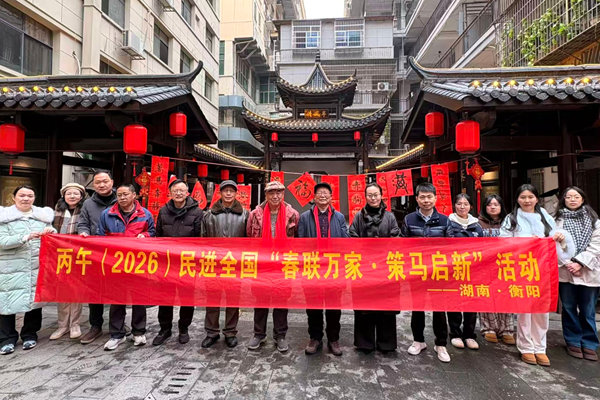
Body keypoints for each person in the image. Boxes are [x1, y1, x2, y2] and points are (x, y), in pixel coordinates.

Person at [500, 183, 565, 367]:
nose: (527, 201)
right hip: (522, 268)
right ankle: (526, 346)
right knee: (524, 309)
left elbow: (556, 241)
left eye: (530, 197)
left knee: (541, 309)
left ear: (536, 198)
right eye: (523, 197)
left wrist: (559, 238)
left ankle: (540, 347)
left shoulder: (546, 217)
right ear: (517, 199)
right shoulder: (511, 218)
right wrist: (527, 243)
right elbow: (503, 242)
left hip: (544, 269)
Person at [97, 184, 155, 351]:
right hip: (115, 264)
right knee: (116, 300)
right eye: (119, 195)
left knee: (139, 299)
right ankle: (117, 334)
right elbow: (100, 236)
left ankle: (139, 332)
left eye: (125, 194)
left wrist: (145, 235)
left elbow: (153, 233)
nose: (122, 198)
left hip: (138, 264)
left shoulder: (145, 214)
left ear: (134, 195)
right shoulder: (107, 214)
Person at [0, 186, 55, 355]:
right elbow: (2, 241)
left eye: (30, 195)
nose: (26, 198)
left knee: (35, 302)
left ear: (34, 198)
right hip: (10, 267)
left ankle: (30, 334)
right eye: (22, 195)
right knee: (6, 302)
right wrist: (25, 237)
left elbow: (53, 236)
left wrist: (51, 231)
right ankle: (6, 339)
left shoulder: (42, 216)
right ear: (14, 197)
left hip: (35, 265)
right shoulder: (4, 217)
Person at [246, 180, 299, 352]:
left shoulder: (293, 215)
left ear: (283, 194)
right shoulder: (255, 214)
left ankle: (280, 335)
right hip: (262, 263)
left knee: (281, 300)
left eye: (278, 193)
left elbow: (298, 239)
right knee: (260, 300)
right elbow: (249, 236)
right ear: (266, 195)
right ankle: (258, 333)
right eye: (271, 193)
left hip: (283, 264)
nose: (275, 196)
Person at [402, 182, 452, 363]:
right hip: (417, 271)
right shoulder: (409, 219)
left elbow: (452, 247)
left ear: (435, 198)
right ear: (416, 199)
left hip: (438, 272)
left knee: (439, 309)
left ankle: (441, 344)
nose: (426, 200)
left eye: (429, 197)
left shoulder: (445, 221)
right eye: (422, 197)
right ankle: (418, 341)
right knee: (417, 308)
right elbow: (403, 245)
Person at [299, 182, 349, 356]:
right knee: (313, 305)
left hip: (333, 267)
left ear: (331, 197)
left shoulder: (339, 217)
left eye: (326, 193)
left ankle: (333, 339)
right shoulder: (305, 217)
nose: (322, 195)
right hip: (312, 267)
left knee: (334, 305)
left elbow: (345, 240)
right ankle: (315, 338)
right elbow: (300, 242)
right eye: (319, 193)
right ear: (314, 197)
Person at [349, 183, 400, 353]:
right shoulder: (358, 216)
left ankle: (386, 343)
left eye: (376, 195)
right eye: (370, 195)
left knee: (386, 306)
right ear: (365, 197)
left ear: (381, 196)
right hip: (365, 268)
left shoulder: (390, 217)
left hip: (386, 267)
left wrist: (382, 251)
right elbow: (352, 236)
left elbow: (396, 237)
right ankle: (365, 343)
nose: (373, 198)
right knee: (365, 306)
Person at [152, 180, 203, 346]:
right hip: (167, 263)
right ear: (170, 193)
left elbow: (200, 238)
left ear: (187, 193)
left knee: (187, 297)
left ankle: (183, 328)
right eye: (175, 190)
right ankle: (164, 329)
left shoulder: (197, 212)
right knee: (165, 297)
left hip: (187, 262)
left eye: (182, 190)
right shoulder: (163, 211)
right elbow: (158, 236)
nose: (179, 193)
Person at [201, 180, 248, 349]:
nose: (228, 193)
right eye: (225, 191)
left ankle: (230, 332)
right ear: (220, 193)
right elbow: (202, 239)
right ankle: (211, 332)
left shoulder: (245, 215)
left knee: (233, 300)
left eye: (231, 191)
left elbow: (250, 241)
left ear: (236, 194)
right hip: (213, 264)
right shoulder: (208, 215)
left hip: (235, 264)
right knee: (212, 299)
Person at [555, 186, 600, 362]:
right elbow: (554, 246)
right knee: (568, 307)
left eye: (576, 197)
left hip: (589, 269)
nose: (572, 200)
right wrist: (568, 262)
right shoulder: (557, 220)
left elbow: (596, 246)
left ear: (582, 199)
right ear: (563, 200)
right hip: (565, 269)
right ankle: (573, 341)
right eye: (568, 197)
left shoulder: (595, 221)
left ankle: (589, 343)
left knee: (588, 309)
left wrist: (580, 262)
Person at [77, 170, 117, 344]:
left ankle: (117, 324)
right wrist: (84, 233)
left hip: (117, 253)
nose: (101, 185)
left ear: (112, 182)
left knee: (118, 289)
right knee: (94, 290)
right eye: (98, 182)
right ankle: (95, 325)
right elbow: (83, 223)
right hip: (95, 253)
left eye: (105, 181)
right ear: (93, 185)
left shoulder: (121, 199)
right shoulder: (88, 204)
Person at [50, 183, 87, 341]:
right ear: (63, 196)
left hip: (79, 255)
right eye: (69, 193)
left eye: (76, 193)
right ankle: (62, 325)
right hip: (60, 255)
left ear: (81, 196)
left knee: (76, 290)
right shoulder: (56, 211)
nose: (72, 196)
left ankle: (75, 324)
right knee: (62, 290)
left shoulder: (85, 210)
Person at [447, 193, 483, 351]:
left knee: (471, 301)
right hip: (454, 268)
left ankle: (469, 334)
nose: (462, 207)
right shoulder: (448, 223)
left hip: (473, 269)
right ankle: (455, 333)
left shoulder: (477, 226)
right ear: (454, 205)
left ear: (471, 207)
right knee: (453, 300)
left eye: (466, 204)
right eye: (459, 204)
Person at [478, 195, 515, 345]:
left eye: (496, 204)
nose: (493, 207)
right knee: (487, 294)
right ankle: (488, 328)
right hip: (485, 265)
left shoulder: (510, 222)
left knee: (506, 295)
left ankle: (507, 329)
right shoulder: (478, 223)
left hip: (505, 264)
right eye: (489, 205)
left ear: (501, 206)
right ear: (485, 207)